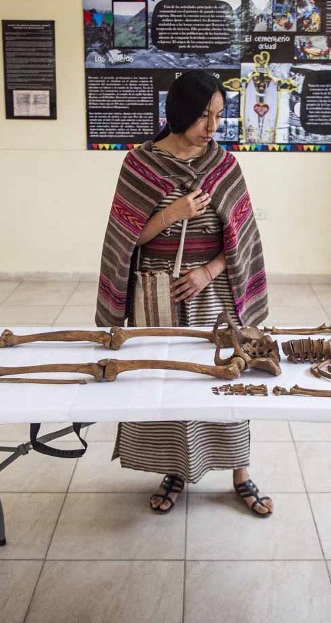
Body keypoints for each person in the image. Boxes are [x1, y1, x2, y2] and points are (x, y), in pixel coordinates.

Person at [96, 71, 273, 517]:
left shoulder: (223, 165)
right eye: (203, 117)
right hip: (158, 297)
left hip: (212, 295)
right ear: (178, 114)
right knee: (168, 382)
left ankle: (240, 471)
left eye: (217, 116)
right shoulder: (140, 165)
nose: (211, 128)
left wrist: (208, 272)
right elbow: (127, 238)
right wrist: (174, 212)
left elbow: (241, 236)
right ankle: (174, 468)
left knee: (227, 379)